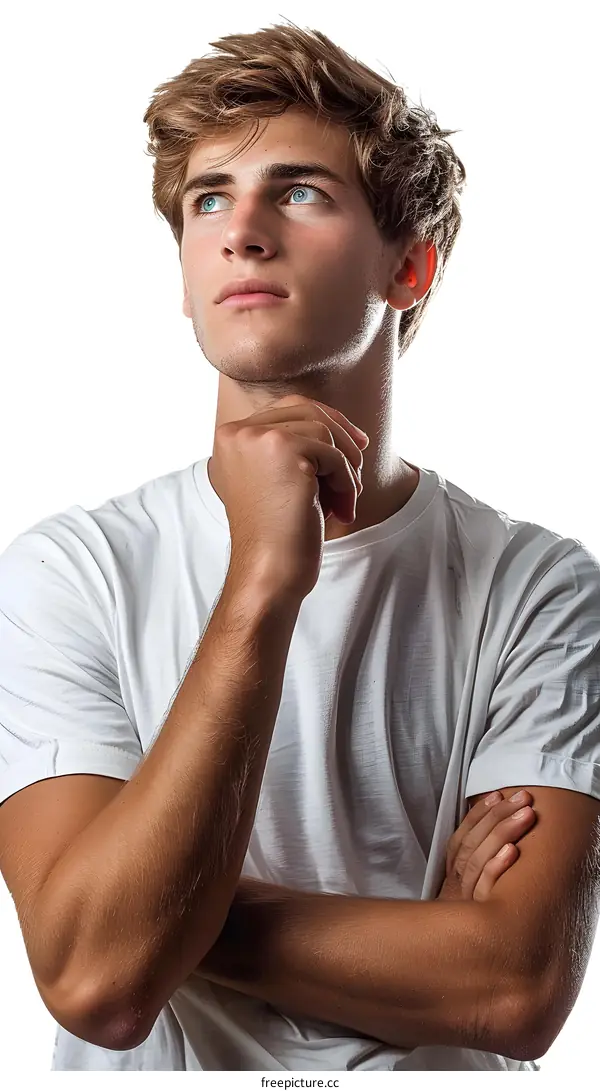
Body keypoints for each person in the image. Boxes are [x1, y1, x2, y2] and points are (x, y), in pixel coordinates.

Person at [1, 19, 599, 1073]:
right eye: (209, 199)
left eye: (302, 192)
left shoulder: (538, 586)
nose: (242, 231)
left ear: (410, 265)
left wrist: (156, 913)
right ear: (184, 271)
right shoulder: (67, 574)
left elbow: (512, 988)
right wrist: (263, 583)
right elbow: (97, 982)